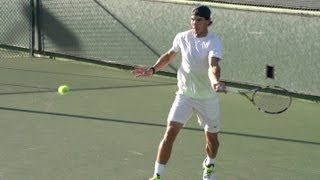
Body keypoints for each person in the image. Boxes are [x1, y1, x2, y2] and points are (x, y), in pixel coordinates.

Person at [132, 5, 225, 180]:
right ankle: (157, 176)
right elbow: (169, 56)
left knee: (212, 140)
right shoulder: (182, 37)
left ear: (208, 22)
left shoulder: (213, 41)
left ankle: (210, 164)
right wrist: (152, 70)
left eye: (199, 20)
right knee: (170, 131)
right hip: (185, 95)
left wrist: (215, 82)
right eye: (193, 20)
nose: (194, 23)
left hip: (207, 99)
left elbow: (214, 65)